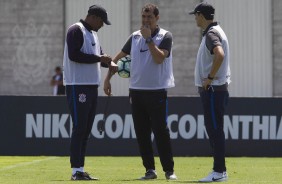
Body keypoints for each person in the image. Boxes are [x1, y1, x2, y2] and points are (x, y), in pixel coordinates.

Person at [104, 3, 177, 180]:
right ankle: (150, 170)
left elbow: (160, 59)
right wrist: (107, 78)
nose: (145, 20)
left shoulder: (165, 36)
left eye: (149, 17)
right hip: (136, 92)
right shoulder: (135, 37)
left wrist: (149, 39)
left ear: (157, 18)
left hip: (157, 91)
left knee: (161, 132)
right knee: (142, 133)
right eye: (143, 17)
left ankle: (169, 171)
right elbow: (117, 58)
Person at [63, 4, 114, 180]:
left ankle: (80, 169)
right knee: (79, 128)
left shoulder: (93, 34)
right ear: (93, 17)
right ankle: (75, 171)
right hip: (77, 85)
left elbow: (98, 58)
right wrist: (100, 58)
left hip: (92, 86)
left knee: (85, 129)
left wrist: (110, 63)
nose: (102, 25)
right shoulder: (75, 30)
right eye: (101, 22)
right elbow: (74, 55)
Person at [189, 2, 231, 182]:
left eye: (195, 15)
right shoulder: (215, 31)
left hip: (213, 90)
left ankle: (219, 172)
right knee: (215, 130)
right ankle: (219, 171)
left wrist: (210, 78)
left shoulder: (212, 33)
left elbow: (219, 54)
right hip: (215, 90)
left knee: (215, 131)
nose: (195, 18)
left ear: (201, 15)